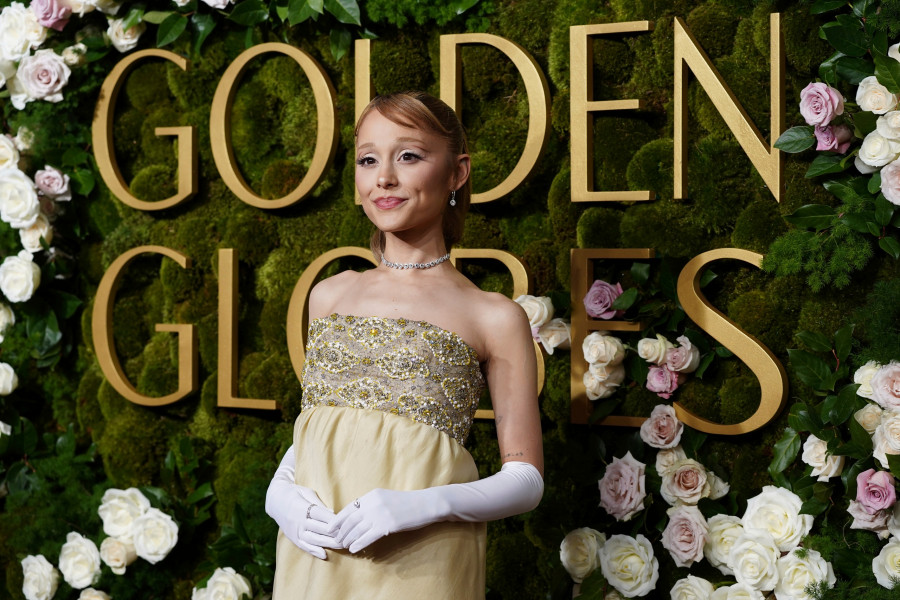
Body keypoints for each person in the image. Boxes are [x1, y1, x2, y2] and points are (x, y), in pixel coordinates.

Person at [266, 91, 544, 599]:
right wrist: (278, 490)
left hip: (421, 563)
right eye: (368, 160)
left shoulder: (493, 315)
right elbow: (324, 427)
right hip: (317, 552)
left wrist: (421, 505)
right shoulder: (329, 295)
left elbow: (525, 479)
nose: (384, 179)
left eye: (409, 156)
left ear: (457, 172)